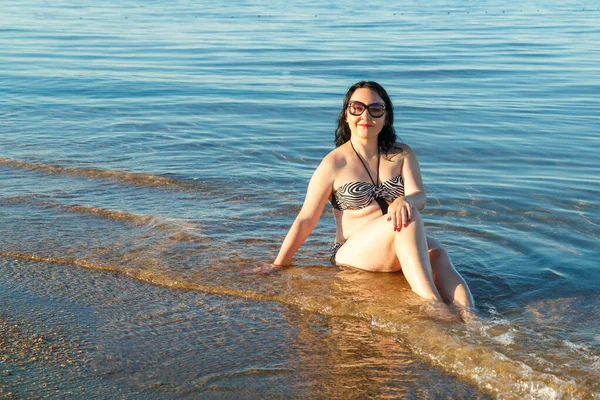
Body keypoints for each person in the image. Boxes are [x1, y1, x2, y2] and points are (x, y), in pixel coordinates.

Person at [268, 81, 474, 308]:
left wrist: (402, 199)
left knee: (438, 252)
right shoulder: (334, 163)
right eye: (357, 108)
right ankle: (433, 305)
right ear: (346, 115)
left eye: (375, 109)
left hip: (395, 242)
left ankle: (471, 319)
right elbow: (306, 219)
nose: (366, 115)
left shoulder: (402, 153)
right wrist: (278, 265)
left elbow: (419, 196)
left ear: (386, 117)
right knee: (410, 217)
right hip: (352, 254)